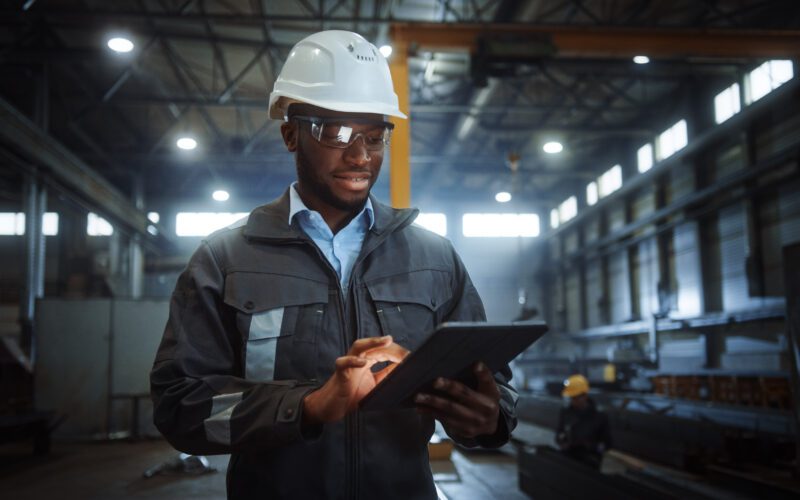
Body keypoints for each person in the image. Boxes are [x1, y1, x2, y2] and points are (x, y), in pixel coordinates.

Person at [150, 30, 519, 499]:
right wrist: (307, 406)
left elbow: (494, 386)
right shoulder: (226, 259)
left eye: (373, 135)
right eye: (336, 132)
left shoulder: (435, 259)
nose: (360, 156)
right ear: (290, 134)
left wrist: (489, 419)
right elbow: (181, 409)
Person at [555, 374, 612, 469]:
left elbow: (607, 444)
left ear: (585, 395)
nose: (573, 401)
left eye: (576, 397)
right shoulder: (566, 413)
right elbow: (558, 434)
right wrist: (562, 441)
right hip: (569, 457)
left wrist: (590, 446)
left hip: (589, 461)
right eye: (572, 398)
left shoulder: (599, 416)